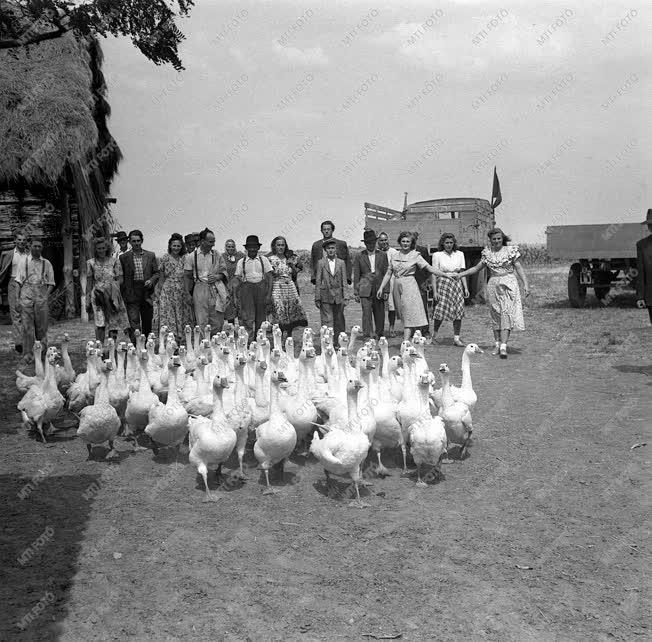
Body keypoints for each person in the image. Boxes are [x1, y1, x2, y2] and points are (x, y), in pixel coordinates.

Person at [458, 228, 530, 358]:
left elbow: (518, 267)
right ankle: (497, 344)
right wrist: (461, 274)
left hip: (509, 283)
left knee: (506, 313)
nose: (496, 241)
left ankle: (503, 346)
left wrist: (525, 284)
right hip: (493, 285)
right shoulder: (487, 253)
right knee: (496, 314)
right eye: (494, 239)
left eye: (499, 238)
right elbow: (476, 268)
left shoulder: (510, 251)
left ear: (502, 238)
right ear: (490, 240)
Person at [377, 231, 452, 341]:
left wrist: (445, 274)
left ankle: (406, 341)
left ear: (411, 243)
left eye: (408, 241)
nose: (405, 243)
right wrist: (381, 287)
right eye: (403, 241)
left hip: (409, 286)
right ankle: (414, 338)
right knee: (403, 314)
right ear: (399, 242)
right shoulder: (394, 255)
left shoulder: (415, 255)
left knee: (409, 314)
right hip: (397, 287)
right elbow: (388, 273)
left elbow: (429, 268)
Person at [16, 237, 55, 363]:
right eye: (34, 246)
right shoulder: (24, 261)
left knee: (42, 327)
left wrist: (46, 296)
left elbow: (51, 283)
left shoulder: (47, 263)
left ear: (42, 248)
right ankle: (27, 354)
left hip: (41, 298)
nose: (37, 248)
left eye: (39, 246)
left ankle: (42, 353)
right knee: (27, 327)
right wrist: (17, 299)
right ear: (30, 247)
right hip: (26, 297)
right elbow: (18, 281)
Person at [86, 236, 129, 345]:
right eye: (98, 248)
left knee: (113, 322)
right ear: (95, 249)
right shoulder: (90, 263)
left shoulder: (115, 261)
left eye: (103, 248)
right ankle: (99, 348)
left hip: (112, 295)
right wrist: (87, 299)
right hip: (98, 296)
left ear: (107, 248)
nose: (101, 250)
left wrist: (110, 288)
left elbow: (120, 279)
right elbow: (89, 282)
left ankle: (111, 348)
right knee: (100, 322)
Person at [184, 228, 228, 333]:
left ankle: (216, 344)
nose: (213, 244)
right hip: (200, 288)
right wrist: (187, 293)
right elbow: (187, 276)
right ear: (202, 241)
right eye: (210, 242)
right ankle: (204, 345)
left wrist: (218, 277)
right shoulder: (191, 257)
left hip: (215, 288)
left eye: (214, 241)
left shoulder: (216, 255)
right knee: (201, 319)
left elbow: (224, 271)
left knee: (217, 319)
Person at [119, 229, 159, 344]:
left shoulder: (150, 255)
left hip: (146, 292)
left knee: (147, 322)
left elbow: (157, 273)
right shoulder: (123, 257)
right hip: (131, 292)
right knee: (134, 321)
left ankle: (147, 346)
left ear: (142, 241)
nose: (136, 243)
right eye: (133, 241)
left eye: (138, 241)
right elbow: (121, 276)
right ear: (130, 242)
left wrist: (151, 280)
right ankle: (136, 346)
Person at [152, 233, 192, 342]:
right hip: (167, 289)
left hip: (181, 290)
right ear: (170, 246)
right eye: (174, 245)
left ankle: (181, 339)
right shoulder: (165, 258)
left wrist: (187, 291)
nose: (176, 248)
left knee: (181, 314)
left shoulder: (185, 258)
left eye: (178, 246)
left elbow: (187, 276)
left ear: (182, 246)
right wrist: (159, 291)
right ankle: (170, 339)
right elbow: (161, 277)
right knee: (168, 314)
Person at [233, 235, 273, 342]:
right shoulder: (241, 262)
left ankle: (260, 341)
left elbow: (269, 278)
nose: (252, 249)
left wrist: (269, 295)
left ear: (258, 248)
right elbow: (237, 280)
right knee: (247, 318)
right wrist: (235, 297)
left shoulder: (263, 260)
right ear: (246, 248)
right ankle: (248, 342)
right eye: (250, 247)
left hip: (261, 290)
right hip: (247, 291)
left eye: (254, 247)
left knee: (261, 319)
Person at [431, 233, 469, 346]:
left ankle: (456, 338)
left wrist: (465, 288)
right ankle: (434, 336)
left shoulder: (460, 254)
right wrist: (435, 291)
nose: (449, 245)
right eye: (446, 242)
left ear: (454, 243)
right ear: (442, 243)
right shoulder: (437, 255)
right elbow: (433, 273)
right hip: (443, 283)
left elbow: (462, 272)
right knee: (440, 310)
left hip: (456, 283)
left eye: (451, 243)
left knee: (458, 311)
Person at [267, 236, 308, 340]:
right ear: (274, 246)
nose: (281, 247)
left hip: (289, 286)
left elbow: (294, 275)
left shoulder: (290, 258)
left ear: (285, 246)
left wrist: (292, 265)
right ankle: (279, 339)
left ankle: (289, 337)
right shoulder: (270, 259)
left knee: (290, 312)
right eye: (278, 245)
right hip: (277, 287)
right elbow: (269, 276)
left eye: (282, 245)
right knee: (279, 312)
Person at [354, 230, 389, 339]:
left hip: (379, 287)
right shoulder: (359, 256)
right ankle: (367, 335)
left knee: (380, 312)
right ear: (365, 243)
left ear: (375, 242)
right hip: (365, 287)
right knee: (366, 313)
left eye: (373, 242)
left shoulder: (382, 255)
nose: (371, 244)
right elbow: (356, 275)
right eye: (368, 242)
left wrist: (386, 290)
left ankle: (379, 333)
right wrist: (356, 292)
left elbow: (386, 273)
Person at [0, 229, 29, 353]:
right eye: (19, 240)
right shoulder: (8, 255)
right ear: (15, 241)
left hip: (27, 285)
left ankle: (28, 341)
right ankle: (19, 344)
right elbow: (2, 270)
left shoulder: (29, 254)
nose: (21, 242)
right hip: (13, 284)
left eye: (23, 240)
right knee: (16, 315)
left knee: (27, 314)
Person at [315, 238, 347, 345]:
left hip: (338, 295)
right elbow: (318, 281)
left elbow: (344, 281)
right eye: (328, 248)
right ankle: (327, 343)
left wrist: (346, 296)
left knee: (338, 320)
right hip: (325, 295)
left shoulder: (341, 263)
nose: (331, 250)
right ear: (325, 250)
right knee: (327, 320)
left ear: (336, 249)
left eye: (333, 248)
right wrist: (317, 297)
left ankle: (338, 342)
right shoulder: (321, 263)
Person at [310, 220, 352, 285]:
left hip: (338, 278)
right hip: (322, 279)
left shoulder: (341, 244)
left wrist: (347, 277)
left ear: (332, 230)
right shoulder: (316, 245)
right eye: (324, 229)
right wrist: (313, 277)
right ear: (321, 231)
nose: (326, 231)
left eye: (328, 229)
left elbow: (347, 262)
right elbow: (312, 262)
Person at [377, 232, 398, 337]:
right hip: (379, 281)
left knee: (391, 306)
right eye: (381, 240)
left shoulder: (393, 252)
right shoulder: (376, 253)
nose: (384, 242)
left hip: (391, 280)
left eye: (385, 240)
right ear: (378, 241)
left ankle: (392, 328)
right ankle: (379, 329)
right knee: (378, 306)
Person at [413, 232, 432, 340]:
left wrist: (428, 282)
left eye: (414, 238)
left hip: (421, 283)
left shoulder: (423, 250)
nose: (413, 240)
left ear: (417, 238)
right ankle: (415, 331)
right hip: (409, 282)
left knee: (423, 307)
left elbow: (428, 267)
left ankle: (426, 330)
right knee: (411, 308)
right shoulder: (405, 251)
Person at [636, 209, 652, 324]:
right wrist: (640, 296)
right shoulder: (641, 245)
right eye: (650, 224)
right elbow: (640, 273)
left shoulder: (642, 245)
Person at [223, 238, 244, 325]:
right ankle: (231, 329)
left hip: (239, 285)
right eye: (228, 246)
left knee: (241, 307)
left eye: (232, 246)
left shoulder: (240, 256)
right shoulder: (222, 257)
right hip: (227, 286)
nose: (230, 248)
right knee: (229, 308)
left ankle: (242, 330)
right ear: (226, 247)